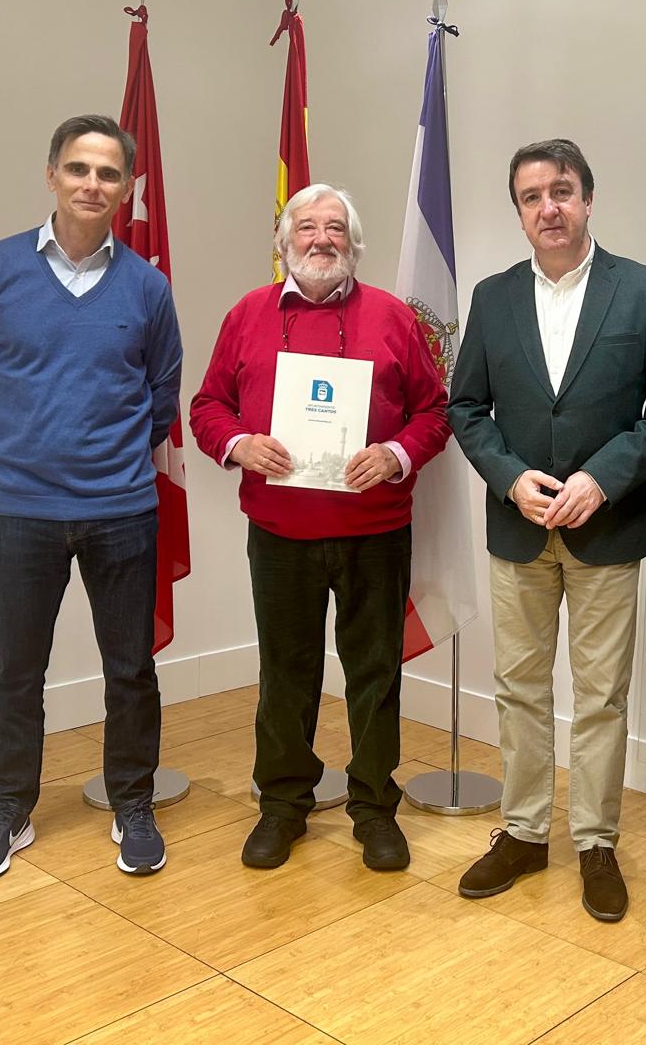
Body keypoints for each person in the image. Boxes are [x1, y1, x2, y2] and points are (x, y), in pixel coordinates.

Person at [448, 139, 646, 922]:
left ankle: (595, 842)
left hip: (605, 527)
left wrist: (603, 477)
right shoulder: (492, 298)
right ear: (519, 212)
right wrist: (509, 477)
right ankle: (523, 833)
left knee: (600, 697)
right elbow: (466, 407)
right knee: (519, 689)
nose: (548, 208)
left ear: (588, 199)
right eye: (531, 196)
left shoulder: (644, 290)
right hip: (518, 527)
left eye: (561, 191)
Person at [189, 183, 450, 871]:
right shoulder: (247, 314)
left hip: (375, 530)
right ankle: (282, 806)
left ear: (353, 244)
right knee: (286, 674)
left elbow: (434, 412)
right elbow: (208, 405)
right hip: (280, 533)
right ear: (284, 243)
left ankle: (374, 808)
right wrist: (239, 444)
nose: (321, 239)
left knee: (374, 674)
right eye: (306, 227)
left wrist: (394, 455)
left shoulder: (393, 317)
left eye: (335, 228)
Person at [0, 114, 181, 881]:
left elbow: (162, 395)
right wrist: (16, 454)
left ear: (127, 188)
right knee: (16, 674)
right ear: (52, 175)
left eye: (108, 173)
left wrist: (107, 459)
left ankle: (133, 804)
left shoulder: (147, 286)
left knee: (130, 670)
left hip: (122, 510)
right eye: (78, 169)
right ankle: (7, 809)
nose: (92, 184)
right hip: (20, 512)